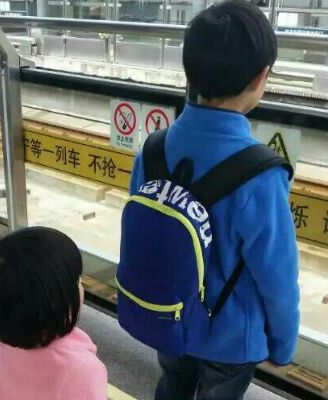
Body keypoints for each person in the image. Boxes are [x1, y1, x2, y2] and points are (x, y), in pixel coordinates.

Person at [129, 1, 299, 399]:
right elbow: (277, 277)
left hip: (169, 315)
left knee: (172, 384)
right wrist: (283, 344)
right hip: (230, 341)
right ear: (261, 76)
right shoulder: (262, 175)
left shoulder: (152, 150)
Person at [0, 226, 108, 400]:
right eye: (77, 280)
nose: (80, 285)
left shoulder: (3, 353)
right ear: (56, 301)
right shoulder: (81, 371)